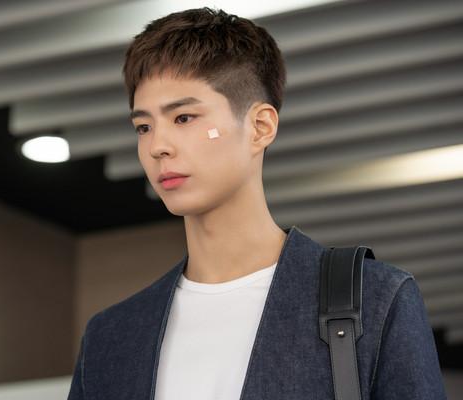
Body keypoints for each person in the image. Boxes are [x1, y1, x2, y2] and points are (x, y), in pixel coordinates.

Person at [68, 7, 447, 400]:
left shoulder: (375, 300)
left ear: (260, 127)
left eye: (183, 118)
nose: (157, 146)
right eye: (143, 127)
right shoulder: (111, 338)